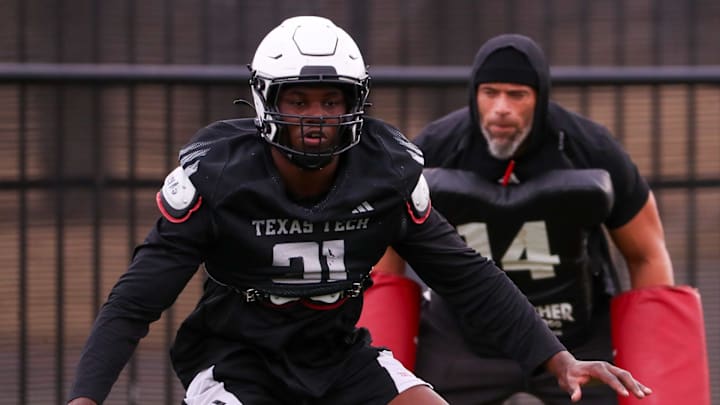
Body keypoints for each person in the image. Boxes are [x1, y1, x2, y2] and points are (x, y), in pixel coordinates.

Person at [66, 19, 652, 405]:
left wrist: (556, 357)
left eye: (331, 100)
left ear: (357, 103)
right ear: (266, 100)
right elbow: (135, 300)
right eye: (299, 100)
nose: (316, 117)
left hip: (339, 359)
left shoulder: (387, 172)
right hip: (238, 365)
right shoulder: (217, 177)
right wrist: (85, 397)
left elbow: (465, 273)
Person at [370, 33, 675, 405]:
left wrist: (657, 361)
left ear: (540, 98)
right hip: (466, 338)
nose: (501, 107)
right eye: (490, 92)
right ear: (474, 95)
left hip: (574, 335)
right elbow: (385, 255)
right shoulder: (436, 148)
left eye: (517, 95)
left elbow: (647, 254)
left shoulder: (591, 149)